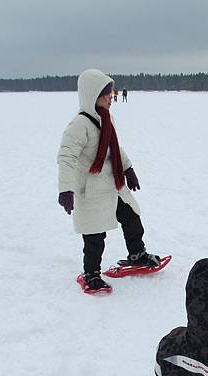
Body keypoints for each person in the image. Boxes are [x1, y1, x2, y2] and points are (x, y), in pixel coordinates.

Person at [57, 69, 159, 292]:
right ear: (93, 95)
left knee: (132, 217)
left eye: (112, 95)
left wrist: (128, 168)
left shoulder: (106, 118)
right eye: (106, 96)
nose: (111, 100)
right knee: (94, 236)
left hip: (113, 184)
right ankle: (91, 274)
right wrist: (66, 189)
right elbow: (66, 157)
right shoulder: (79, 125)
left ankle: (137, 254)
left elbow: (115, 147)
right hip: (91, 189)